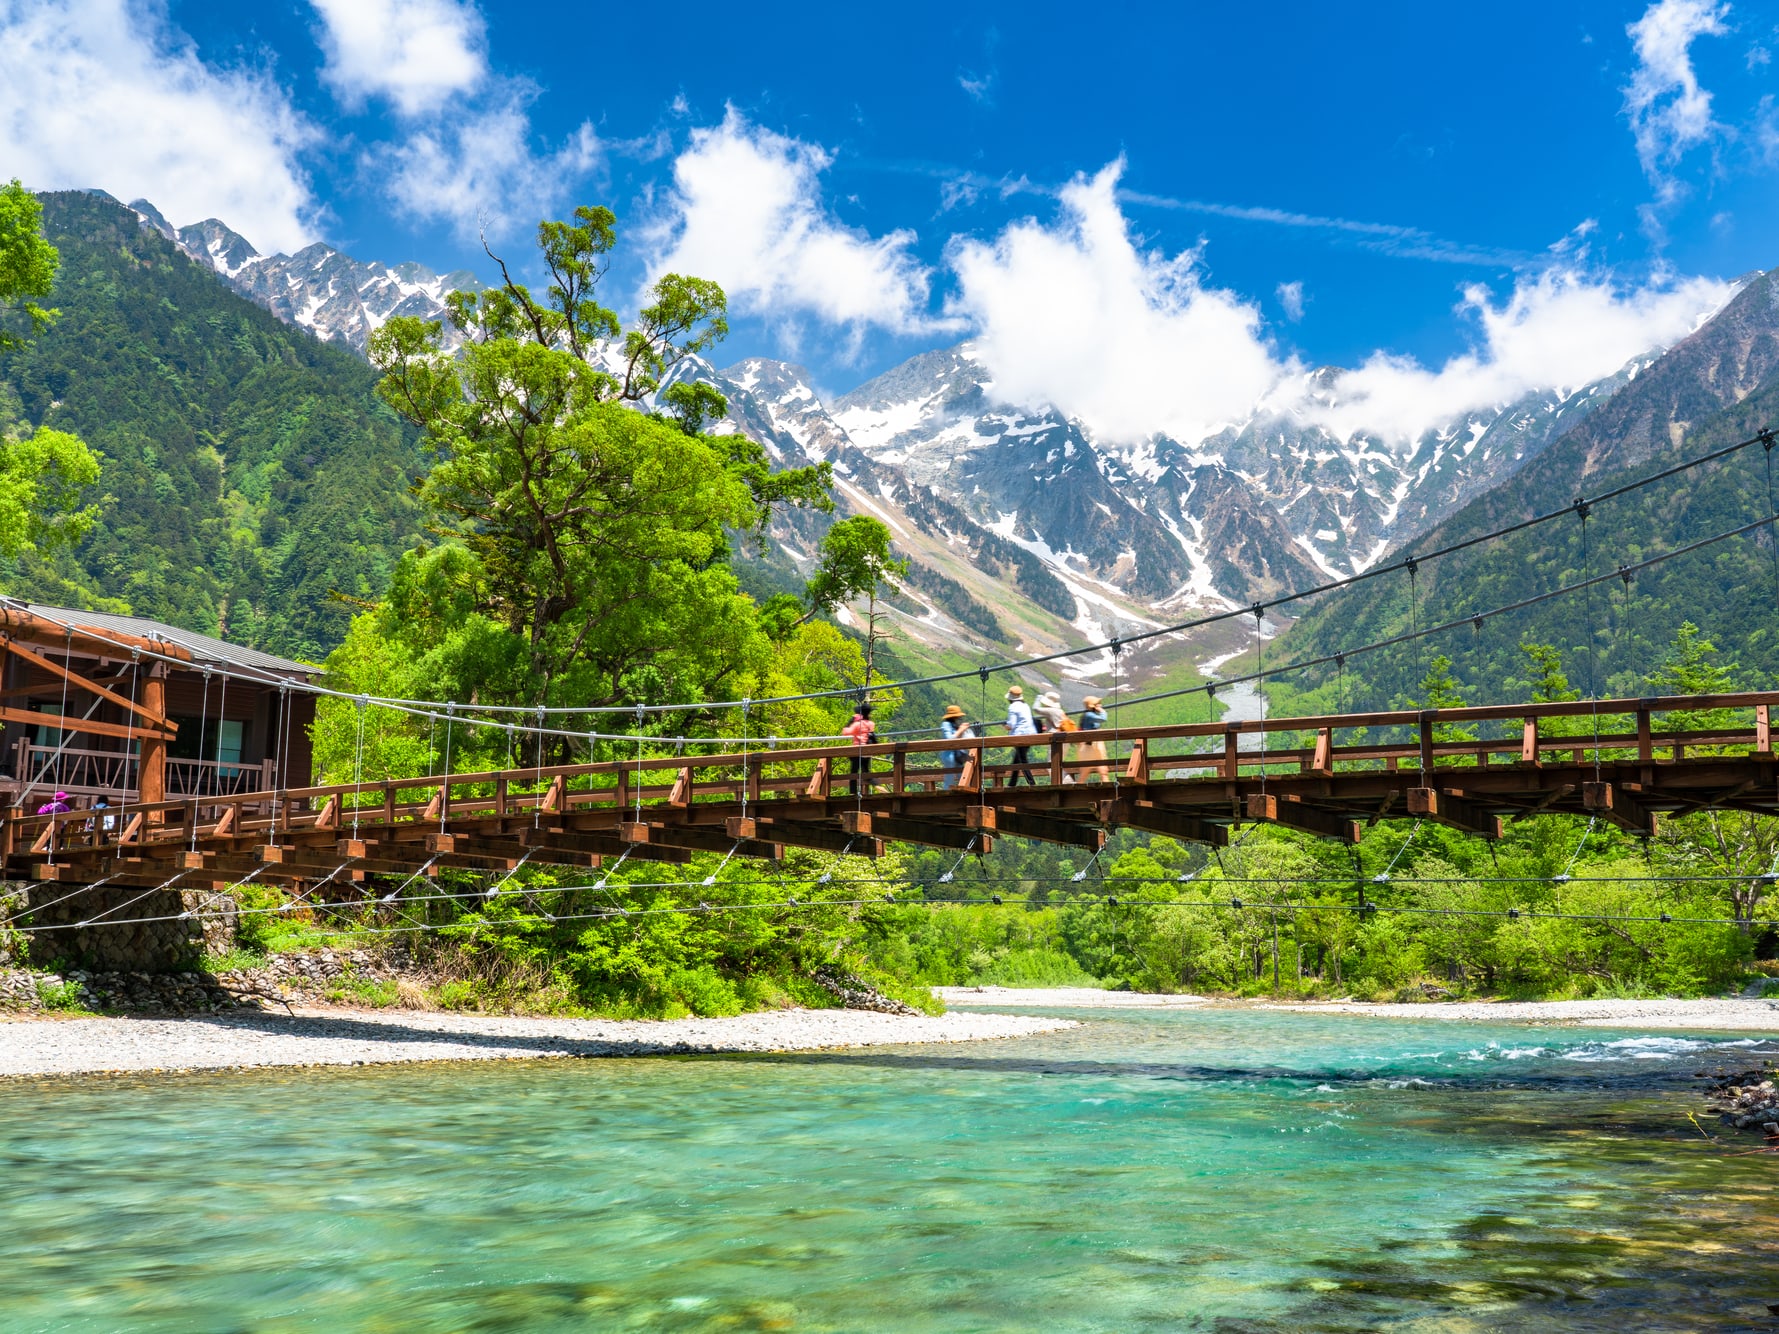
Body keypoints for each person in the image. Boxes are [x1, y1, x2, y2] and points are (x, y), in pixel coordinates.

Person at [1003, 685, 1038, 786]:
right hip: (1030, 734)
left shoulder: (1012, 707)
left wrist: (1005, 726)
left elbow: (1012, 724)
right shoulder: (1025, 706)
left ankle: (1032, 783)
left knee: (1022, 760)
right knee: (1018, 759)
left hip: (1019, 736)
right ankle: (1012, 783)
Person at [842, 701, 876, 796]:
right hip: (867, 751)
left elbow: (845, 732)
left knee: (854, 772)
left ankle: (853, 792)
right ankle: (871, 780)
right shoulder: (871, 724)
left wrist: (851, 721)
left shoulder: (857, 724)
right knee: (865, 769)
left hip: (857, 751)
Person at [939, 704, 974, 789]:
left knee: (963, 777)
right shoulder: (946, 724)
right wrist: (961, 730)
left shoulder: (956, 725)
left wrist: (963, 731)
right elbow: (949, 739)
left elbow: (959, 738)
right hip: (949, 756)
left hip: (959, 755)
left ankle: (965, 794)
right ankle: (947, 796)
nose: (959, 719)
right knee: (949, 779)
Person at [1078, 696, 1110, 783]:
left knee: (1103, 770)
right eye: (1097, 704)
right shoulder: (1089, 715)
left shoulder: (1088, 714)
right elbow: (1103, 719)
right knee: (1086, 772)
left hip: (1092, 744)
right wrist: (1102, 711)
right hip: (1090, 745)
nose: (1100, 705)